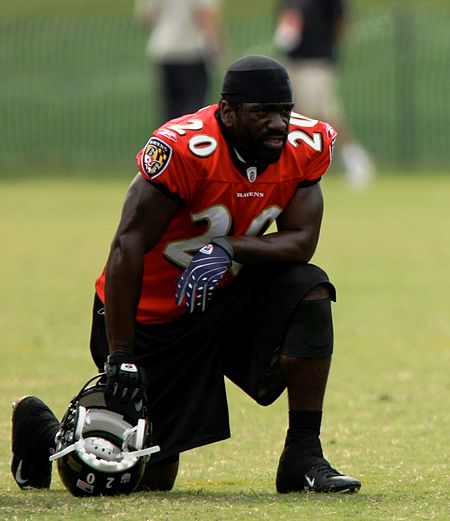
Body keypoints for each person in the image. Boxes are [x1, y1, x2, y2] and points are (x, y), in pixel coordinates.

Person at [11, 55, 361, 494]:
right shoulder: (184, 149)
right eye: (263, 113)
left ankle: (303, 455)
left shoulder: (304, 144)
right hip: (151, 318)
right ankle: (41, 433)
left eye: (284, 112)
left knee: (307, 286)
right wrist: (122, 352)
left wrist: (229, 246)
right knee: (142, 478)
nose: (278, 124)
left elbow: (300, 241)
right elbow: (127, 246)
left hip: (222, 297)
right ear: (227, 113)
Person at [274, 0, 375, 189]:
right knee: (294, 113)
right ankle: (297, 166)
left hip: (316, 62)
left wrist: (327, 49)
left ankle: (355, 158)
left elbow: (340, 21)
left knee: (325, 114)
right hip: (291, 61)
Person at [135, 0, 224, 123]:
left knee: (170, 112)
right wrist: (218, 48)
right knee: (193, 113)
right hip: (193, 53)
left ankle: (169, 141)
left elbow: (146, 18)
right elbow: (206, 15)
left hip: (164, 51)